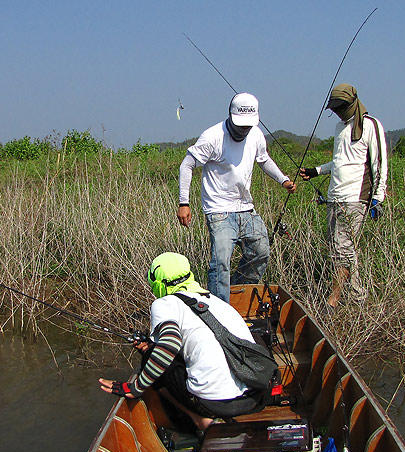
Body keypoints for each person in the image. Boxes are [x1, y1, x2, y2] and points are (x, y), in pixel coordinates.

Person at [98, 252, 265, 432]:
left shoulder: (164, 303)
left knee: (151, 359)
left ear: (158, 283)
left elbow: (170, 345)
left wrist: (136, 387)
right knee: (159, 353)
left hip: (214, 405)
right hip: (255, 397)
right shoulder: (217, 302)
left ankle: (200, 420)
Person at [177, 92, 296, 303]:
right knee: (221, 262)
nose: (243, 130)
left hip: (246, 208)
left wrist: (283, 180)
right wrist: (183, 203)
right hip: (219, 211)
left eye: (247, 126)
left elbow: (264, 159)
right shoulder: (212, 137)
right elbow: (187, 165)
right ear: (230, 116)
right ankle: (219, 309)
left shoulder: (256, 135)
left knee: (261, 252)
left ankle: (237, 295)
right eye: (240, 125)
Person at [298, 83, 387, 310]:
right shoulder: (340, 128)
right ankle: (358, 297)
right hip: (334, 195)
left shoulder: (370, 126)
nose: (338, 112)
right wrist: (316, 171)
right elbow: (340, 161)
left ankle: (333, 299)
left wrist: (378, 197)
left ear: (353, 102)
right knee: (341, 248)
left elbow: (380, 163)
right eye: (335, 108)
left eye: (341, 107)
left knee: (342, 248)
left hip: (355, 198)